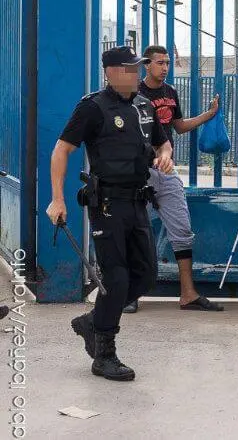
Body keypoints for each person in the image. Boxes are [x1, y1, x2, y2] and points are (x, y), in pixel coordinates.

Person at [47, 46, 173, 381]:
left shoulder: (144, 107)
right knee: (116, 277)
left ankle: (93, 321)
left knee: (145, 275)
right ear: (111, 72)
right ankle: (104, 353)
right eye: (130, 69)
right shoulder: (93, 107)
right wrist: (56, 199)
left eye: (137, 68)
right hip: (107, 205)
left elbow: (163, 142)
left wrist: (165, 154)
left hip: (138, 201)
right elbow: (61, 150)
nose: (135, 74)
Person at [126, 44, 223, 313]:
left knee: (181, 229)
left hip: (166, 171)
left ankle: (188, 294)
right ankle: (131, 293)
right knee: (133, 230)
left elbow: (177, 127)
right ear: (147, 64)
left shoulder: (170, 92)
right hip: (139, 172)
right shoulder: (135, 94)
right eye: (160, 63)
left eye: (168, 63)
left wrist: (208, 115)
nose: (165, 68)